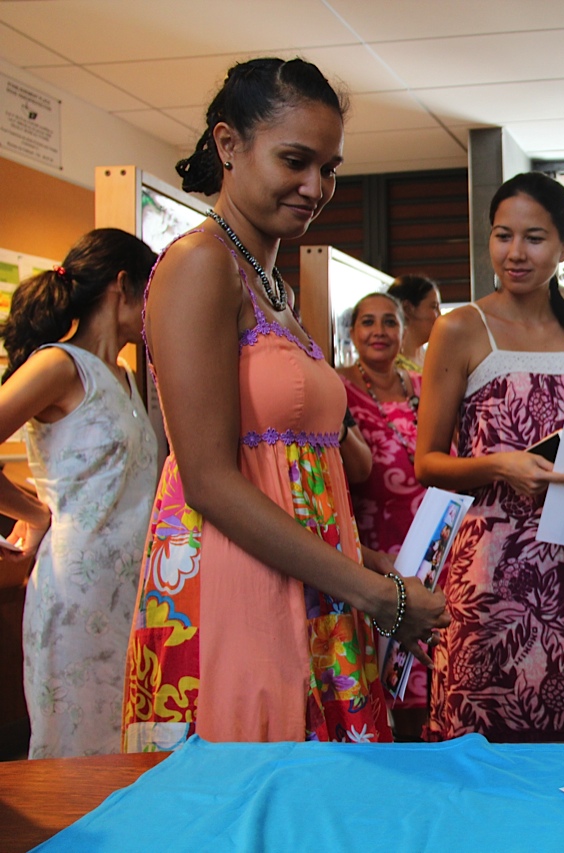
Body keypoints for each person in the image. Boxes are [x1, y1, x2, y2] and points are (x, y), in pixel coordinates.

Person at [121, 57, 448, 751]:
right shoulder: (200, 263)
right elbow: (207, 478)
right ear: (228, 145)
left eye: (329, 167)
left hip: (304, 573)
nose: (316, 187)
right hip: (238, 581)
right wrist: (374, 596)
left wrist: (362, 563)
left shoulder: (271, 285)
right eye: (295, 160)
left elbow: (300, 473)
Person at [416, 171, 564, 742]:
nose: (515, 253)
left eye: (534, 238)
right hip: (489, 569)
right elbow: (427, 462)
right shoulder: (460, 328)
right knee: (484, 735)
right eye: (502, 235)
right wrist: (500, 465)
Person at [0, 229, 158, 758]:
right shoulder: (59, 365)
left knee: (129, 744)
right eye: (151, 289)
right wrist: (31, 511)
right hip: (76, 588)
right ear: (123, 286)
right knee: (76, 747)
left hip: (133, 593)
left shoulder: (128, 378)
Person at [337, 291, 431, 740]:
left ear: (403, 331)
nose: (379, 332)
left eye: (389, 322)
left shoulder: (422, 386)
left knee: (436, 675)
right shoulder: (337, 389)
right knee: (393, 675)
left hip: (435, 547)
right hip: (379, 551)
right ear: (352, 333)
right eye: (367, 322)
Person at [386, 273, 441, 372]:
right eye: (434, 307)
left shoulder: (432, 359)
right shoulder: (391, 367)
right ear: (408, 309)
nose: (440, 316)